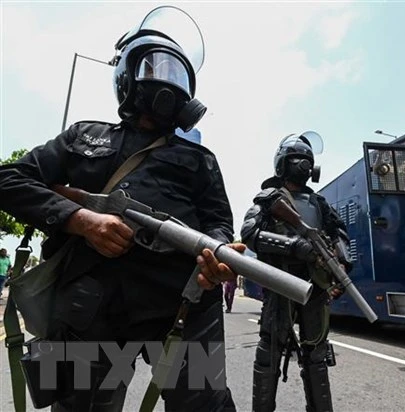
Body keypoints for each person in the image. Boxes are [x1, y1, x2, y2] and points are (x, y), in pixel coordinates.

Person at [0, 6, 242, 411]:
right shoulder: (84, 135)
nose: (166, 79)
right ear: (127, 77)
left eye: (175, 71)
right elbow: (9, 180)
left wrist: (215, 255)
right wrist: (81, 220)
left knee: (205, 406)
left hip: (180, 304)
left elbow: (219, 223)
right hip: (90, 309)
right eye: (154, 67)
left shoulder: (200, 159)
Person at [241, 132, 352, 412]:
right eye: (297, 160)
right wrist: (294, 246)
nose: (303, 166)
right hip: (281, 283)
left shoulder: (319, 204)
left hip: (315, 286)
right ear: (284, 163)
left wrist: (341, 267)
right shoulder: (270, 199)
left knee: (316, 355)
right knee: (270, 354)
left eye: (306, 161)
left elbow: (338, 234)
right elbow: (250, 234)